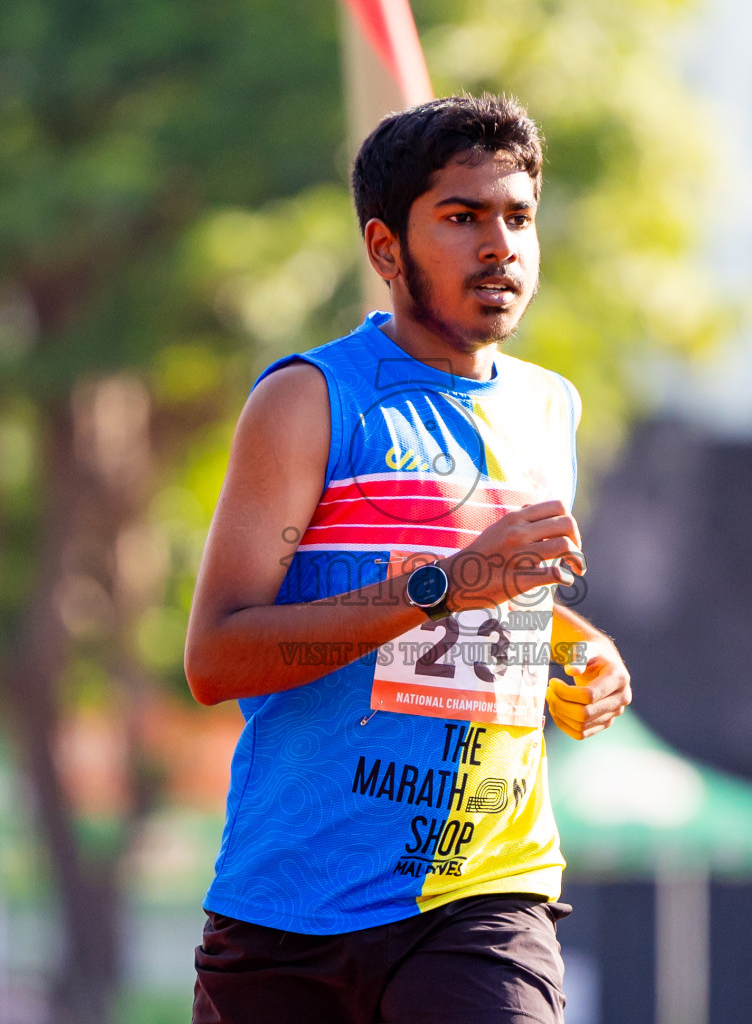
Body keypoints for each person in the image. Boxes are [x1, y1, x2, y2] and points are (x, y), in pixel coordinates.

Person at [184, 94, 633, 1024]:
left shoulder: (552, 409)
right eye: (462, 217)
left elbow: (505, 591)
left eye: (518, 217)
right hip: (292, 909)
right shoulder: (310, 400)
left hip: (484, 897)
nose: (500, 246)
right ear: (386, 249)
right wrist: (447, 586)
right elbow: (218, 657)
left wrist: (578, 647)